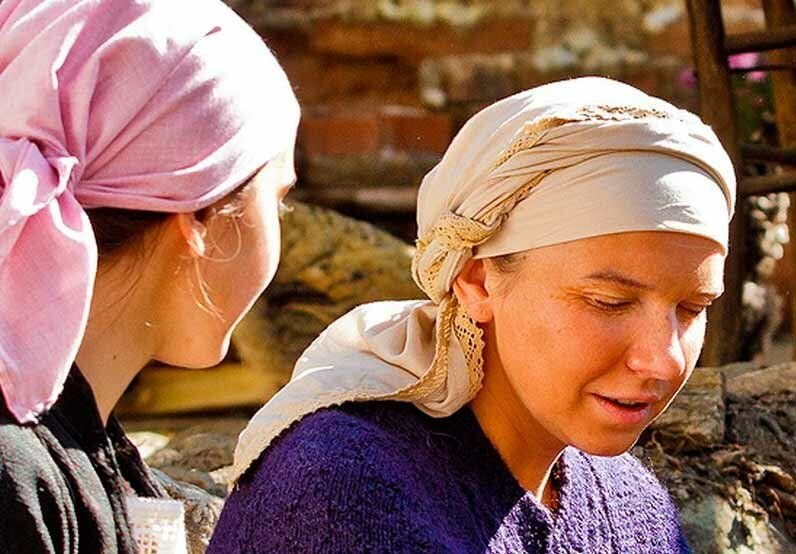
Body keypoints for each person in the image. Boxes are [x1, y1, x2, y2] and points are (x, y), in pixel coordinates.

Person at [209, 77, 735, 553]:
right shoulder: (343, 490)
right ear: (476, 280)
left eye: (693, 308)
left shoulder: (632, 506)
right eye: (608, 302)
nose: (664, 361)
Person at [0, 0, 299, 552]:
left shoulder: (77, 454)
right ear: (202, 215)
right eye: (278, 200)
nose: (281, 224)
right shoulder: (16, 478)